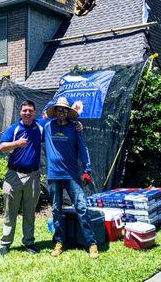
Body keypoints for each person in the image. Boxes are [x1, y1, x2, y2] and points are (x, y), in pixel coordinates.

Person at [0, 100, 84, 256]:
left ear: (35, 112)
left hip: (33, 175)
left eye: (30, 110)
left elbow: (61, 120)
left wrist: (77, 124)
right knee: (10, 212)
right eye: (25, 110)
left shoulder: (40, 126)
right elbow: (1, 147)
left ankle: (29, 242)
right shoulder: (14, 128)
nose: (27, 113)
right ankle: (5, 243)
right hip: (14, 175)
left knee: (30, 212)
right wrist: (17, 143)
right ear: (20, 112)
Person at [44, 97, 99, 259]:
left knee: (82, 208)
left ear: (68, 112)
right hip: (54, 175)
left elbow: (83, 149)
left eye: (65, 109)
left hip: (72, 176)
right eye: (59, 109)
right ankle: (59, 242)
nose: (62, 112)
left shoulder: (75, 128)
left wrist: (87, 170)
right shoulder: (48, 127)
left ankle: (92, 244)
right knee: (56, 209)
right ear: (55, 112)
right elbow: (32, 121)